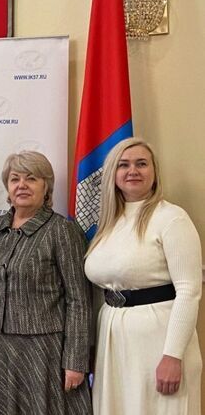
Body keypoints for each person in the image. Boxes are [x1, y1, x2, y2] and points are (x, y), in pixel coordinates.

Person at [85, 137, 201, 415]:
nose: (132, 171)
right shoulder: (109, 223)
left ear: (154, 171)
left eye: (141, 164)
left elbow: (189, 290)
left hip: (159, 340)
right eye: (123, 165)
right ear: (113, 174)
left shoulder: (171, 218)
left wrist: (173, 355)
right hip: (113, 338)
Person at [0, 151, 91, 414]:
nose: (22, 185)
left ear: (46, 187)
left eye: (31, 178)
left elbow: (79, 299)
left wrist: (76, 360)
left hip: (44, 351)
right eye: (15, 179)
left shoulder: (62, 230)